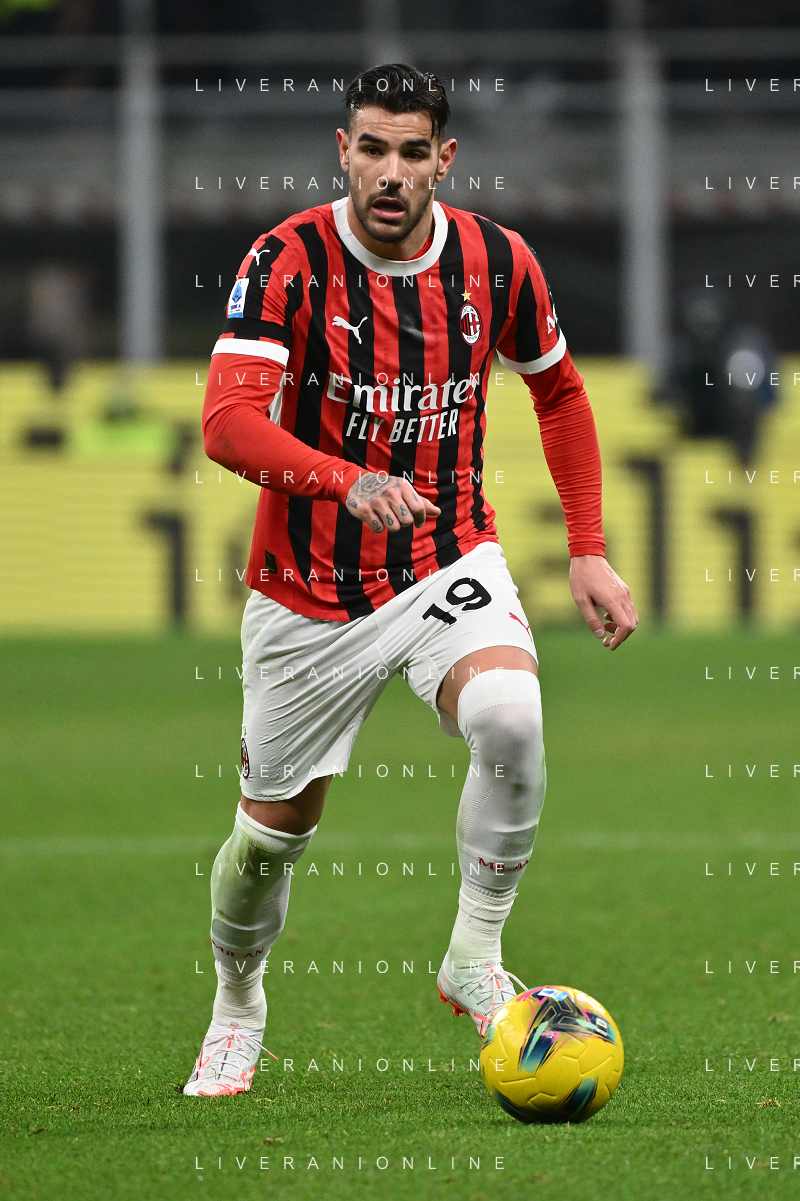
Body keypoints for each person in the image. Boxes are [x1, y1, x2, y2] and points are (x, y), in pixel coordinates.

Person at [183, 63, 638, 1097]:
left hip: (445, 555)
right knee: (267, 841)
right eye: (372, 149)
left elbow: (560, 393)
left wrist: (586, 545)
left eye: (412, 151)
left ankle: (474, 953)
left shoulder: (496, 260)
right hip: (306, 590)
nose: (390, 172)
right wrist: (343, 479)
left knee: (511, 715)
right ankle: (237, 1005)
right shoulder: (287, 261)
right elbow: (226, 422)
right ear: (343, 151)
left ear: (445, 158)